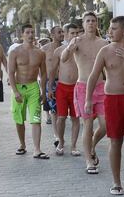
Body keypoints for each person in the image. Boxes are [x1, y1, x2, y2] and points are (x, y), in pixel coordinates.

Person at [85, 16, 124, 195]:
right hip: (113, 100)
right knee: (116, 141)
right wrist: (88, 100)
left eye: (114, 28)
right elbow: (92, 76)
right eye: (110, 28)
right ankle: (116, 182)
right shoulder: (105, 51)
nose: (109, 31)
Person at [61, 11, 108, 174]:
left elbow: (108, 67)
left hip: (101, 88)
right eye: (87, 21)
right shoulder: (77, 41)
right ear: (83, 24)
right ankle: (89, 161)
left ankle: (92, 145)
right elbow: (63, 58)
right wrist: (69, 48)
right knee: (87, 125)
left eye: (93, 21)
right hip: (82, 87)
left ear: (97, 24)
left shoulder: (103, 43)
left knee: (106, 125)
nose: (90, 23)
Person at [8, 24, 49, 159]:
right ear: (22, 35)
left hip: (33, 88)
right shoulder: (15, 52)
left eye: (32, 32)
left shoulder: (40, 53)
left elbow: (43, 74)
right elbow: (10, 73)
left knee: (36, 119)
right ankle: (22, 144)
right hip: (19, 87)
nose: (31, 35)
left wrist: (43, 91)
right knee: (19, 119)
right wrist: (15, 91)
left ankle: (37, 149)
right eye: (27, 32)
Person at [48, 23, 81, 156]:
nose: (75, 36)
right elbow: (52, 71)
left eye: (77, 33)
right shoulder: (59, 51)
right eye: (72, 33)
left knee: (75, 118)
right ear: (66, 35)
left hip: (77, 88)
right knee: (61, 117)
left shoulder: (81, 49)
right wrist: (50, 88)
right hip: (62, 88)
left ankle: (73, 146)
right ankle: (61, 142)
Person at [41, 26, 64, 147]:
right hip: (51, 83)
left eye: (62, 32)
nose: (62, 34)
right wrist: (43, 87)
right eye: (59, 32)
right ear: (52, 35)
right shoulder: (44, 49)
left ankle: (61, 136)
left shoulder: (66, 49)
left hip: (64, 82)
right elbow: (41, 70)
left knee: (63, 113)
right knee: (54, 111)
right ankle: (57, 136)